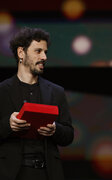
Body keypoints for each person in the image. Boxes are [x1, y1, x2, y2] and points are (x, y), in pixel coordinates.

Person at [0, 27, 74, 180]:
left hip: (47, 173)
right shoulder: (2, 91)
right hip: (11, 173)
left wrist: (55, 129)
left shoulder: (56, 92)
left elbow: (68, 135)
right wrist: (8, 124)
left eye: (45, 52)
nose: (44, 57)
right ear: (21, 53)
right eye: (38, 51)